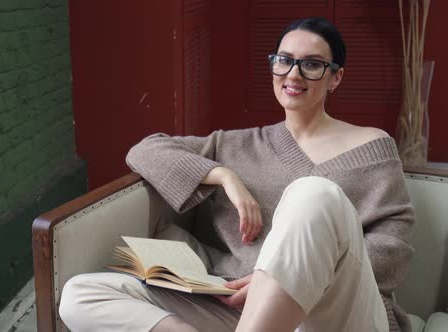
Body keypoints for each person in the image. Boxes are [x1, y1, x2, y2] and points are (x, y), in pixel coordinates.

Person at [59, 17, 415, 332]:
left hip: (334, 314)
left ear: (336, 77)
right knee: (80, 294)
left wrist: (274, 283)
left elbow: (393, 249)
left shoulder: (372, 145)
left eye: (312, 65)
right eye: (284, 61)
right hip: (237, 310)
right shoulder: (236, 145)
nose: (293, 74)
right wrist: (225, 176)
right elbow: (144, 150)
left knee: (312, 193)